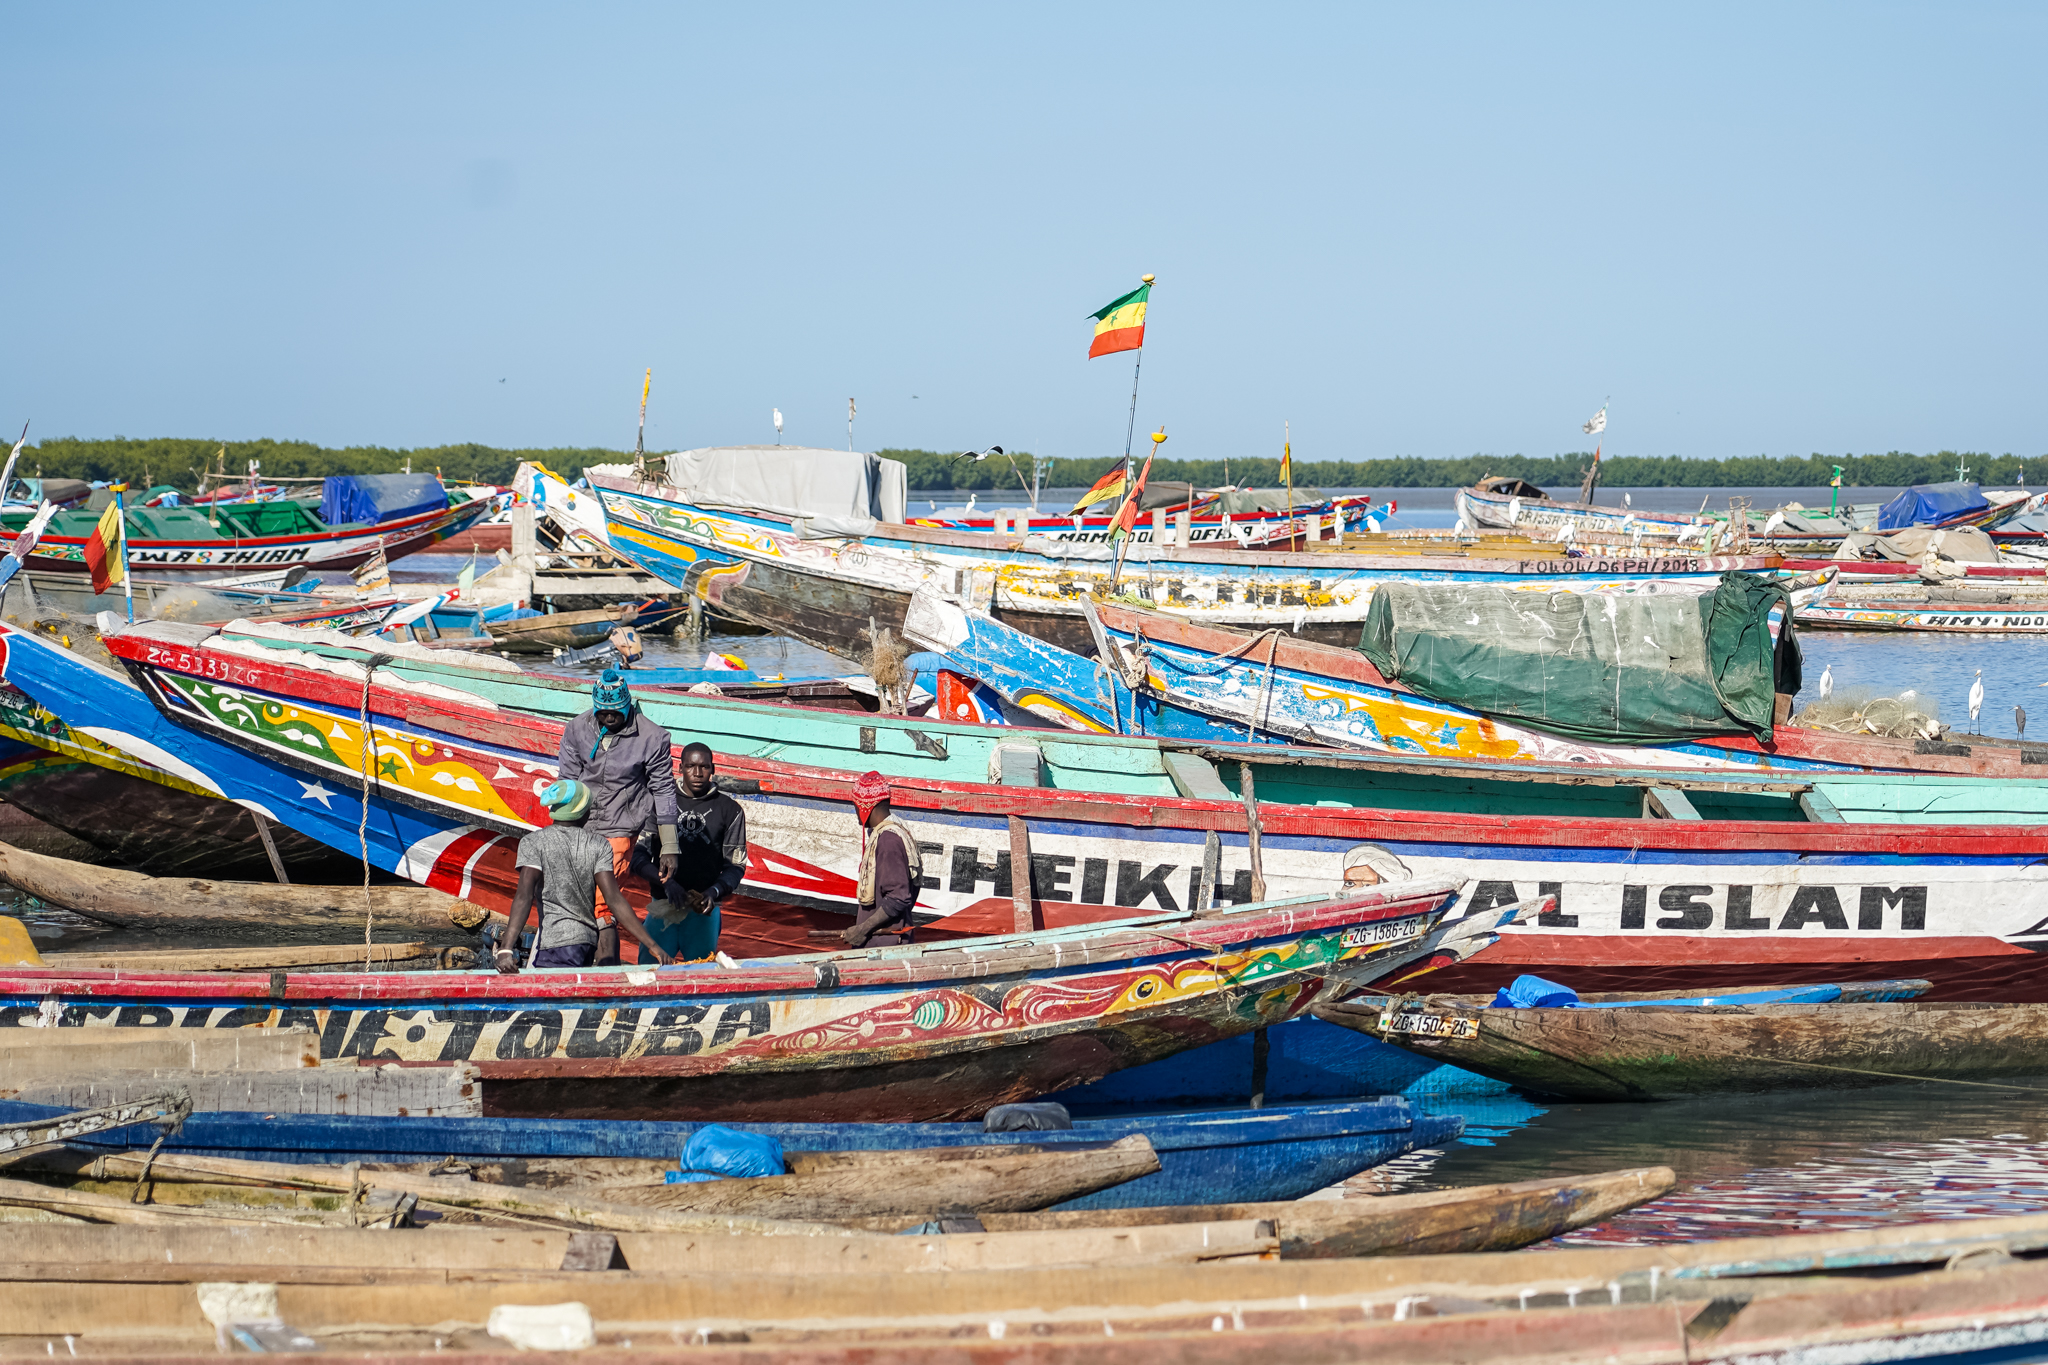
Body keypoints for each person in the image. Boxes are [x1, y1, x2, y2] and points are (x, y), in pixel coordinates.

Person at [557, 668, 682, 963]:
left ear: (627, 706)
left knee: (603, 906)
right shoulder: (577, 729)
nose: (609, 719)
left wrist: (669, 846)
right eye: (603, 714)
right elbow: (568, 781)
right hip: (580, 826)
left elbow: (663, 790)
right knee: (575, 902)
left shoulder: (652, 737)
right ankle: (579, 970)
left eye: (616, 713)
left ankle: (605, 976)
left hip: (620, 829)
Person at [496, 779, 674, 972]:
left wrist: (505, 948)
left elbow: (524, 896)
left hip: (554, 943)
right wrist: (653, 945)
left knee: (551, 1000)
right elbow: (614, 899)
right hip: (585, 944)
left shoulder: (534, 843)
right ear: (584, 811)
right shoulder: (598, 845)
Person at [643, 741, 749, 961]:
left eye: (704, 767)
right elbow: (638, 856)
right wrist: (666, 883)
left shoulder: (730, 810)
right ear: (680, 768)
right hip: (662, 907)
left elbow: (736, 866)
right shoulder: (659, 803)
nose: (698, 773)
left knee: (700, 975)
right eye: (691, 766)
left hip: (703, 912)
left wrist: (714, 891)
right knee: (650, 974)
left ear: (713, 769)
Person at [839, 770, 925, 948]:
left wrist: (862, 929)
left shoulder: (888, 841)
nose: (855, 812)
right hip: (887, 941)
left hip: (885, 945)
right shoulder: (898, 829)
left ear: (865, 806)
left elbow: (898, 898)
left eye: (855, 805)